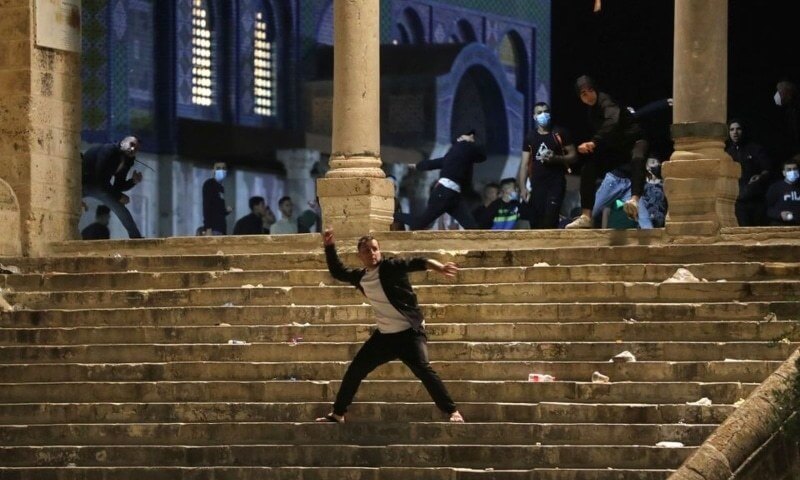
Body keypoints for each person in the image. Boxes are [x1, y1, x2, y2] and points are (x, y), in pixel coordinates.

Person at [315, 228, 464, 424]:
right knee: (356, 370)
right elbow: (337, 271)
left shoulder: (392, 266)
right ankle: (338, 414)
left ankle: (452, 411)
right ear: (360, 256)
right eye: (367, 251)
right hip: (385, 337)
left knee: (424, 370)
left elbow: (419, 262)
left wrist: (441, 268)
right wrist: (329, 246)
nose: (372, 253)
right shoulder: (361, 277)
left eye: (375, 249)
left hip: (409, 333)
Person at [566, 76, 651, 229]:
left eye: (590, 91)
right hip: (618, 150)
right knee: (588, 167)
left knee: (637, 158)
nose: (588, 96)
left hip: (636, 141)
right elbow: (609, 136)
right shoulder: (592, 113)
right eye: (584, 94)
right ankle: (586, 215)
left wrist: (594, 141)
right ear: (580, 97)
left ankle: (634, 200)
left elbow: (613, 122)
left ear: (595, 90)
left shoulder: (606, 102)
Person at [394, 130, 487, 230]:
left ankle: (394, 215)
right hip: (445, 192)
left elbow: (438, 162)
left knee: (471, 227)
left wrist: (418, 166)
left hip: (452, 193)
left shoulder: (457, 154)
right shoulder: (463, 147)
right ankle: (393, 215)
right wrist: (469, 141)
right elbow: (481, 155)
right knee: (419, 223)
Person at [519, 102, 577, 229]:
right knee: (535, 222)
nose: (543, 115)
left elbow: (573, 156)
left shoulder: (559, 133)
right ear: (534, 116)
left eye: (545, 111)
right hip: (537, 186)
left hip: (555, 184)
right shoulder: (530, 137)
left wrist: (556, 158)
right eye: (539, 112)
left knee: (550, 219)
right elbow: (524, 164)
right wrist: (523, 187)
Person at [81, 135, 143, 238]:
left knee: (120, 209)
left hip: (101, 187)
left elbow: (119, 185)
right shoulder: (109, 150)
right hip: (84, 183)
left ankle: (136, 238)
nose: (133, 149)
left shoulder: (126, 161)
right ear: (123, 143)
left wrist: (133, 181)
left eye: (136, 149)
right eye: (131, 145)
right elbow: (98, 179)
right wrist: (118, 196)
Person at [725, 119, 772, 226]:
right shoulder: (727, 153)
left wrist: (760, 177)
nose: (735, 132)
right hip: (738, 202)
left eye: (738, 129)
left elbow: (767, 169)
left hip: (756, 200)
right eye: (732, 129)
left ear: (743, 131)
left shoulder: (755, 149)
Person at [765, 157, 800, 226]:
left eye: (794, 169)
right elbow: (767, 209)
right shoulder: (775, 187)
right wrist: (779, 214)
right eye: (789, 170)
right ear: (784, 173)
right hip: (781, 225)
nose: (792, 172)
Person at [202, 162, 232, 235]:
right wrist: (208, 228)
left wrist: (226, 211)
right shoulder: (209, 184)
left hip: (221, 227)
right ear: (213, 171)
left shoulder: (221, 188)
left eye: (223, 168)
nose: (221, 171)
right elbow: (207, 206)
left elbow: (218, 210)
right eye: (218, 168)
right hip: (213, 228)